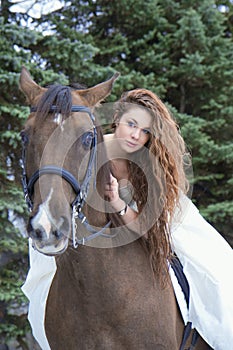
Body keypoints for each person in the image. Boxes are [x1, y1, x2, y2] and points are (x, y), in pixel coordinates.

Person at [22, 88, 233, 350]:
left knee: (216, 277)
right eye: (131, 124)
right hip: (98, 226)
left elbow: (150, 229)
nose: (136, 135)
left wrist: (118, 204)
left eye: (145, 130)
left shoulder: (150, 161)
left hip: (159, 218)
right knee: (44, 273)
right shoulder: (87, 146)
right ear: (117, 118)